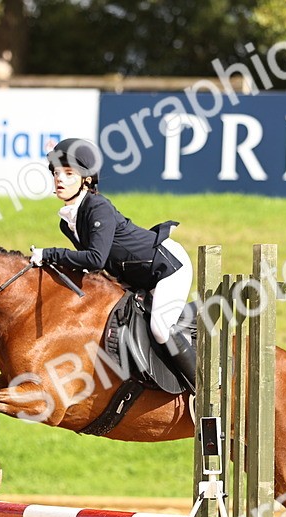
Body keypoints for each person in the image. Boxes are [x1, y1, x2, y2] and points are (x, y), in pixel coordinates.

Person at [30, 138, 196, 389]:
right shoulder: (67, 222)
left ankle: (206, 389)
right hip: (140, 275)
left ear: (86, 179)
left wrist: (49, 254)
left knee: (161, 328)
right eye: (56, 173)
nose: (59, 179)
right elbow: (92, 266)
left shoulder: (98, 207)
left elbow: (95, 258)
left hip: (167, 268)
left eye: (68, 173)